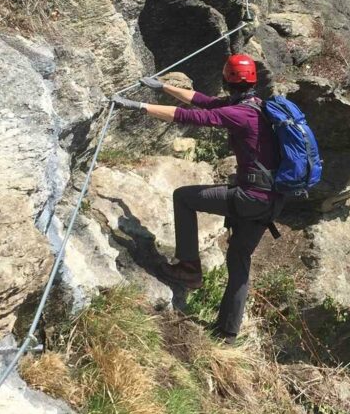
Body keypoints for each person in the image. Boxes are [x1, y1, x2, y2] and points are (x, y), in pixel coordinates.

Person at [111, 54, 282, 344]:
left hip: (249, 196)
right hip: (270, 200)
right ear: (252, 80)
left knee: (184, 197)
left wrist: (140, 106)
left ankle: (189, 269)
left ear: (227, 79)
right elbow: (204, 101)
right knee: (239, 259)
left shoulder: (239, 113)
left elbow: (193, 116)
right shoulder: (256, 107)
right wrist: (162, 87)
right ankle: (227, 334)